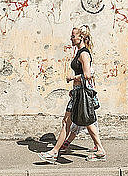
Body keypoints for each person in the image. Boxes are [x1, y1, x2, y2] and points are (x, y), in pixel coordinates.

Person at [38, 25, 106, 164]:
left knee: (68, 122)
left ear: (81, 37)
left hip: (81, 94)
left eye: (73, 36)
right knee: (86, 122)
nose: (71, 38)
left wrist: (73, 78)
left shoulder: (84, 54)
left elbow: (87, 75)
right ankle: (99, 150)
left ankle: (54, 152)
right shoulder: (80, 52)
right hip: (77, 93)